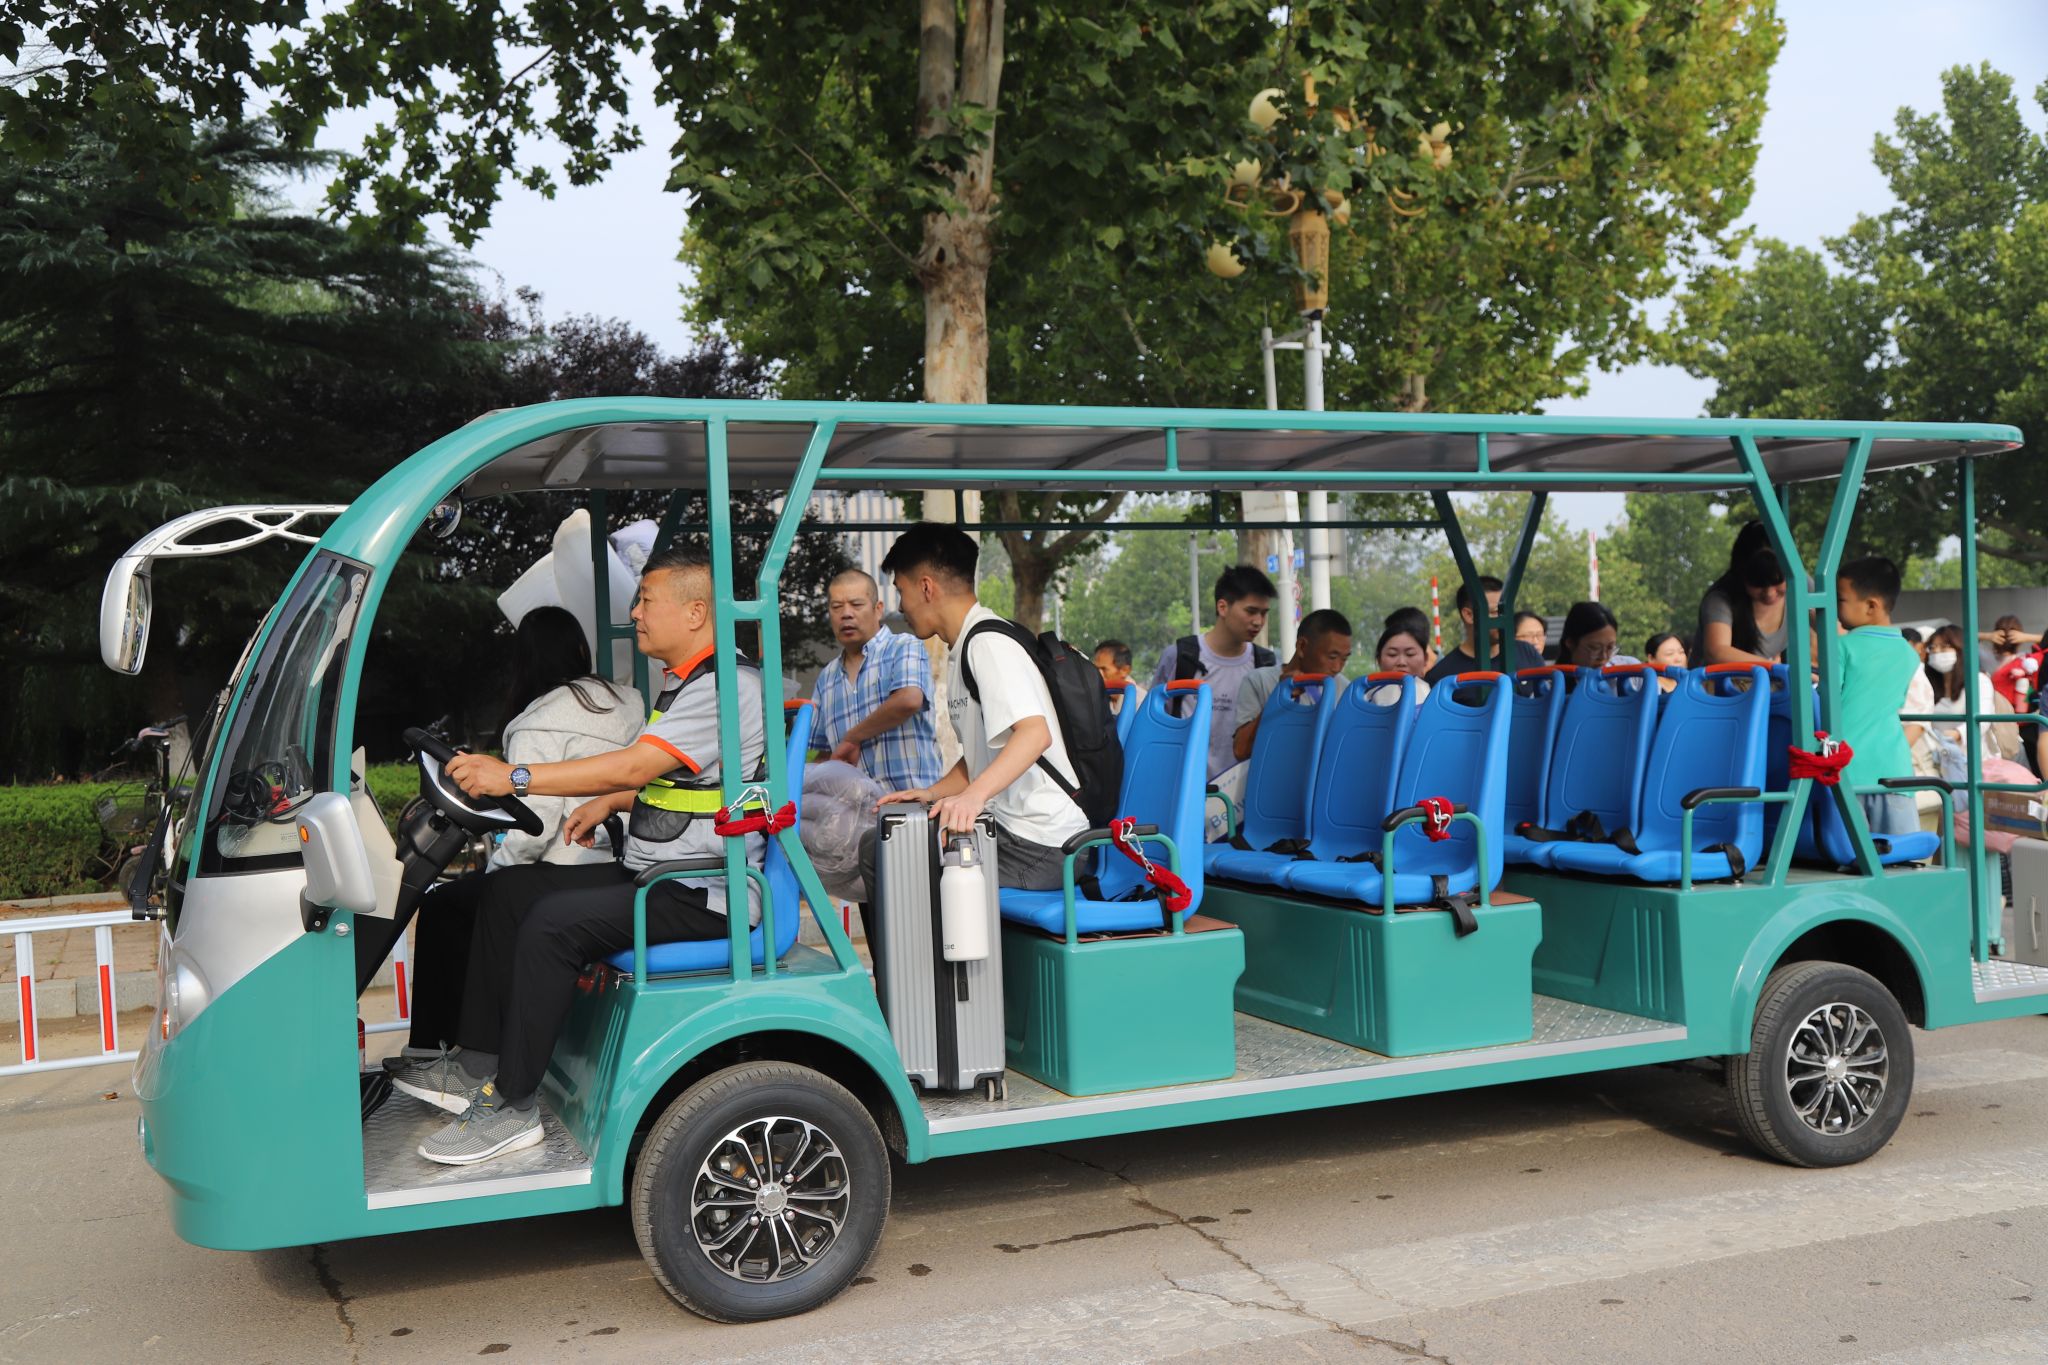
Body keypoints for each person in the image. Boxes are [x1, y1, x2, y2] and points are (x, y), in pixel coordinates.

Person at [394, 546, 768, 1167]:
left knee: (551, 925)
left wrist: (513, 776)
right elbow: (683, 780)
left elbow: (636, 764)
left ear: (696, 612)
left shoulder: (723, 688)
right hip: (663, 876)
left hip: (704, 890)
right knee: (507, 893)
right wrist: (610, 802)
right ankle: (480, 1062)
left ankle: (513, 1106)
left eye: (647, 601)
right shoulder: (688, 683)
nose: (635, 612)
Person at [380, 606, 644, 1069]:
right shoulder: (626, 702)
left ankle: (441, 1050)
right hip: (618, 858)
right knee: (474, 897)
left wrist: (495, 867)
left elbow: (534, 827)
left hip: (568, 863)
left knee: (449, 905)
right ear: (580, 650)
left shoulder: (536, 723)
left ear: (523, 661)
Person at [873, 522, 1087, 890]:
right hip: (1017, 832)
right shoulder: (965, 647)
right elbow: (983, 755)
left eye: (901, 591)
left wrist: (972, 797)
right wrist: (934, 793)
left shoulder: (988, 644)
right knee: (888, 843)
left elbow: (1035, 735)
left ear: (926, 587)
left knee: (895, 857)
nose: (901, 606)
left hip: (1046, 844)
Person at [811, 568, 942, 793]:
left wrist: (853, 737)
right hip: (852, 811)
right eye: (836, 607)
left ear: (878, 609)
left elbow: (909, 699)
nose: (846, 614)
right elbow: (825, 754)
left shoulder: (903, 646)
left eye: (856, 604)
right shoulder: (826, 678)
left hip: (912, 805)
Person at [1148, 566, 1278, 779]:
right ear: (1223, 607)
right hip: (1185, 786)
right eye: (1251, 611)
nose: (1258, 621)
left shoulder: (1265, 664)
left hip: (1243, 790)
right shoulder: (1180, 657)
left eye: (1264, 613)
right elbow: (1155, 724)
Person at [1833, 555, 1921, 839]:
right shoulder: (1908, 653)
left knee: (1850, 855)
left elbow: (1827, 701)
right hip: (1895, 771)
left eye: (1840, 600)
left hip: (1847, 771)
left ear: (1871, 606)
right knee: (1901, 855)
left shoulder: (1842, 647)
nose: (1834, 606)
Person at [1232, 609, 1352, 761]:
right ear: (1302, 646)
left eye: (1344, 659)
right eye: (1332, 657)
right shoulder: (1259, 681)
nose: (1337, 667)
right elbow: (1241, 750)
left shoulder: (1344, 688)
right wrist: (1278, 701)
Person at [1697, 521, 1789, 666]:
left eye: (1777, 581)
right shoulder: (1719, 599)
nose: (1770, 593)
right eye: (1758, 584)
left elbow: (1827, 625)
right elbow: (1716, 651)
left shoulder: (1801, 585)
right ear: (1741, 576)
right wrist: (1774, 668)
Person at [1423, 576, 1545, 685]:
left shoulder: (1527, 653)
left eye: (1506, 610)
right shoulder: (1442, 676)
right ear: (1469, 615)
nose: (1503, 618)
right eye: (1495, 611)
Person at [1921, 623, 2000, 770]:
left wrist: (1956, 734)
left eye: (1944, 646)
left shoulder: (1978, 681)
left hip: (1970, 763)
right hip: (1935, 761)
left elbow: (1983, 719)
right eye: (1932, 647)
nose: (1936, 652)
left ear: (1961, 649)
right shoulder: (1926, 683)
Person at [1369, 616, 1435, 705]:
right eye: (1392, 654)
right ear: (1379, 659)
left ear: (1425, 658)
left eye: (1410, 654)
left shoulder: (1434, 694)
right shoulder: (1366, 697)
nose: (1401, 662)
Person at [1553, 601, 1622, 669]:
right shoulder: (1555, 675)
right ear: (1571, 643)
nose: (1603, 657)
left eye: (1610, 647)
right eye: (1595, 648)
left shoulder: (1622, 669)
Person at [1093, 639, 1146, 716]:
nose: (1098, 674)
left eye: (1104, 669)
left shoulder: (1141, 703)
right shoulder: (1096, 697)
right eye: (1095, 669)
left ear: (1124, 670)